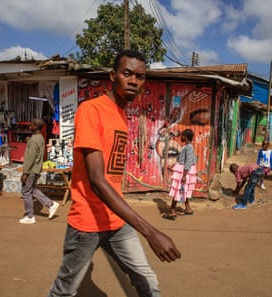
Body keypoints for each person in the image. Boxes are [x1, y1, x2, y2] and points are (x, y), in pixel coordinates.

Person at [48, 50, 181, 297]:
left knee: (147, 282)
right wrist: (151, 232)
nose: (133, 81)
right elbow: (97, 181)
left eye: (140, 77)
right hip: (86, 223)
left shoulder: (121, 115)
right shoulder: (91, 110)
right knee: (64, 291)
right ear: (113, 75)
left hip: (117, 220)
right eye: (127, 73)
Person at [19, 118, 59, 224]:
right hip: (36, 169)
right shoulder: (40, 138)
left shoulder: (34, 140)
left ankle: (30, 215)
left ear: (36, 126)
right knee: (32, 189)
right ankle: (50, 204)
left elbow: (30, 157)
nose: (30, 126)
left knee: (26, 191)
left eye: (31, 125)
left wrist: (25, 172)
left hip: (31, 169)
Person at [163, 129, 197, 220]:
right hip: (183, 171)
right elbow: (181, 160)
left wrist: (184, 176)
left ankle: (172, 211)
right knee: (183, 190)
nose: (180, 137)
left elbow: (188, 162)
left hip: (184, 172)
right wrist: (173, 167)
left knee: (177, 190)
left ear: (185, 137)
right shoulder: (187, 147)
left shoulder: (189, 147)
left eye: (182, 136)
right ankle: (188, 208)